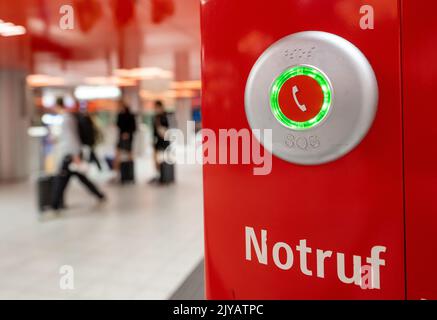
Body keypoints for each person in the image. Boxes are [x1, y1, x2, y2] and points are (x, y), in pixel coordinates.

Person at [51, 97, 106, 211]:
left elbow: (72, 138)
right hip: (72, 153)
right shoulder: (68, 118)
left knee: (61, 179)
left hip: (71, 154)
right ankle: (99, 195)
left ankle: (55, 204)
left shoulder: (67, 119)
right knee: (79, 177)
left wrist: (75, 156)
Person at [150, 100, 170, 183]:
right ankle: (159, 174)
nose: (156, 109)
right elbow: (154, 131)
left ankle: (165, 175)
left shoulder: (166, 116)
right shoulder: (155, 117)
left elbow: (168, 129)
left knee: (164, 158)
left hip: (165, 140)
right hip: (158, 140)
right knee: (155, 157)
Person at [114, 102, 137, 172]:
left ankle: (130, 173)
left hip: (129, 138)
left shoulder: (130, 115)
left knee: (130, 154)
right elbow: (118, 125)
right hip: (121, 137)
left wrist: (127, 133)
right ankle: (117, 173)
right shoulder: (120, 115)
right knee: (118, 154)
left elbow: (134, 127)